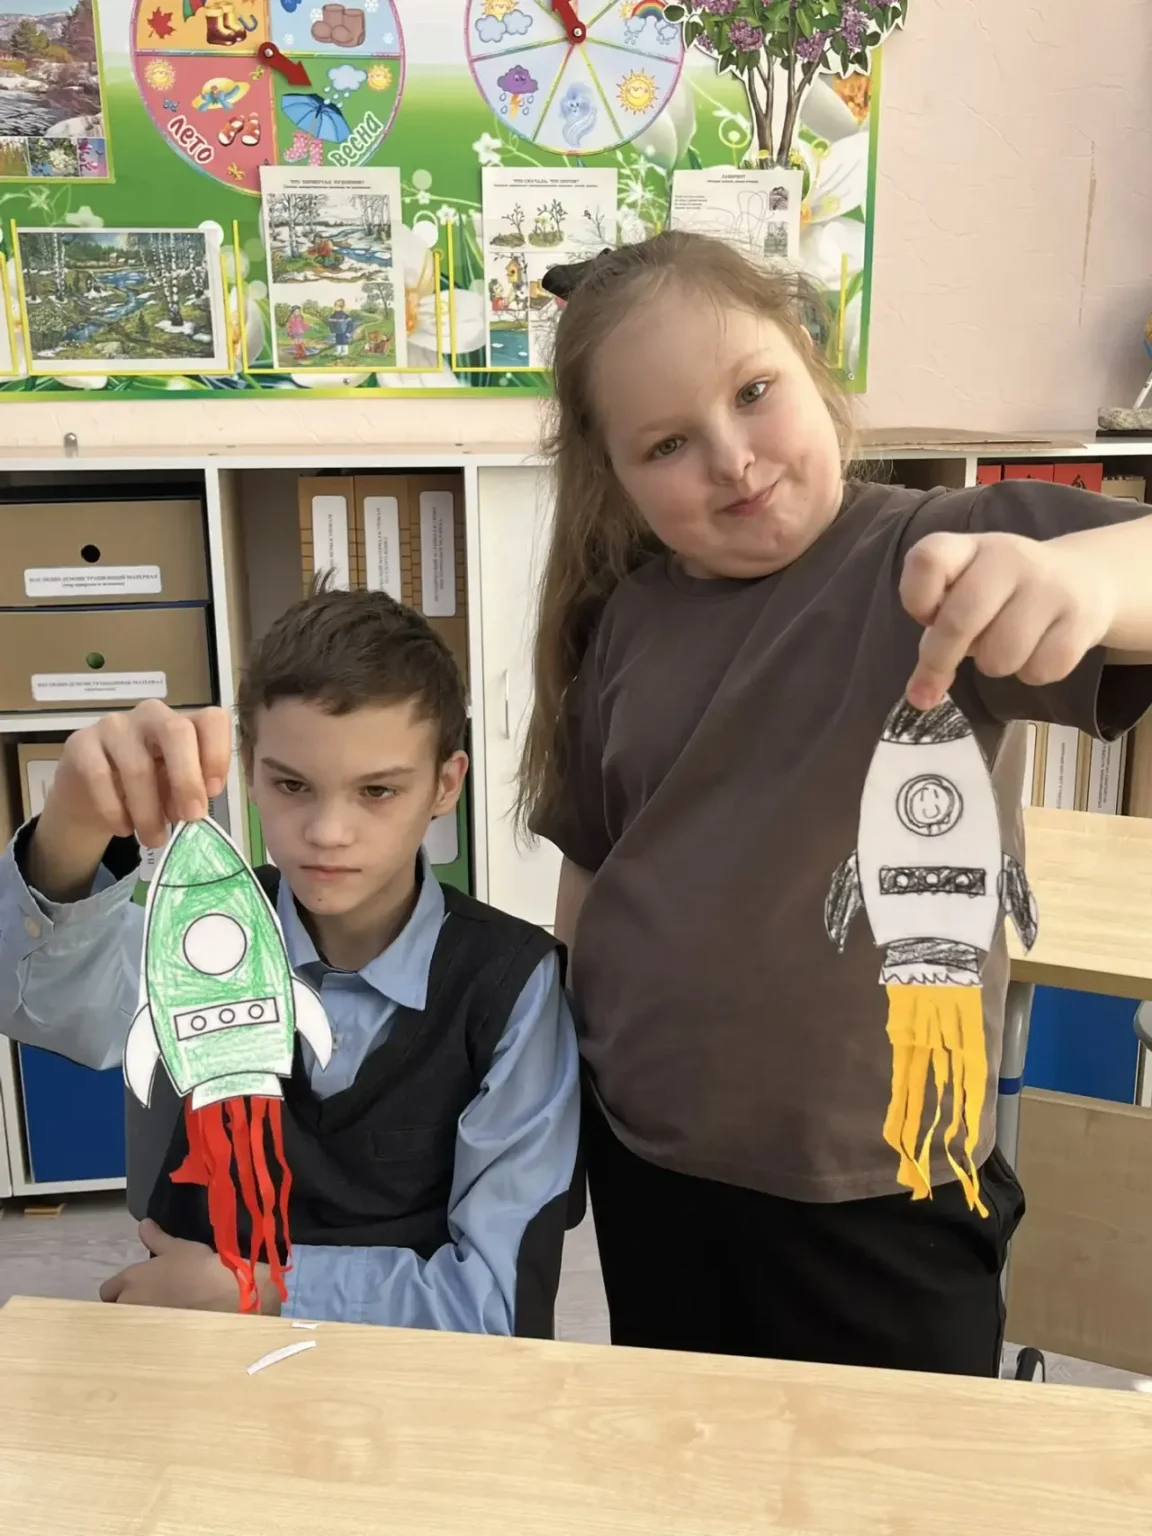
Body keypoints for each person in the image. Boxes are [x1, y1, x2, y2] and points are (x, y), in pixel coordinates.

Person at [519, 231, 1152, 1377]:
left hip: (882, 1186)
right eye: (667, 444)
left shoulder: (937, 552)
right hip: (652, 1163)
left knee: (892, 1469)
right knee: (691, 1450)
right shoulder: (625, 620)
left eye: (754, 392)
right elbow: (595, 875)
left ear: (811, 361)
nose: (732, 460)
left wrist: (1088, 578)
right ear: (615, 475)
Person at [0, 588, 579, 1334]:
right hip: (201, 1351)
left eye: (378, 790)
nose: (328, 831)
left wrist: (263, 1288)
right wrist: (70, 832)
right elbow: (42, 1003)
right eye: (292, 785)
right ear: (249, 770)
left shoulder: (514, 984)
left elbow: (498, 1306)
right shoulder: (198, 928)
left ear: (445, 784)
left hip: (414, 1378)